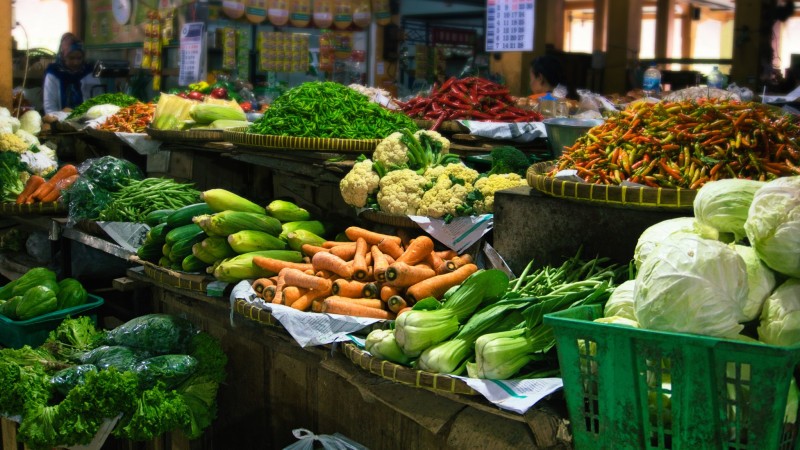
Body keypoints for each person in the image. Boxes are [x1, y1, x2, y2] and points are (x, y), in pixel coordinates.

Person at [43, 35, 99, 114]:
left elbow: (98, 99)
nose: (76, 62)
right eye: (71, 58)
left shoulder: (88, 72)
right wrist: (57, 121)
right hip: (59, 122)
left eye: (79, 58)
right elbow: (50, 105)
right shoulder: (54, 73)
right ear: (63, 56)